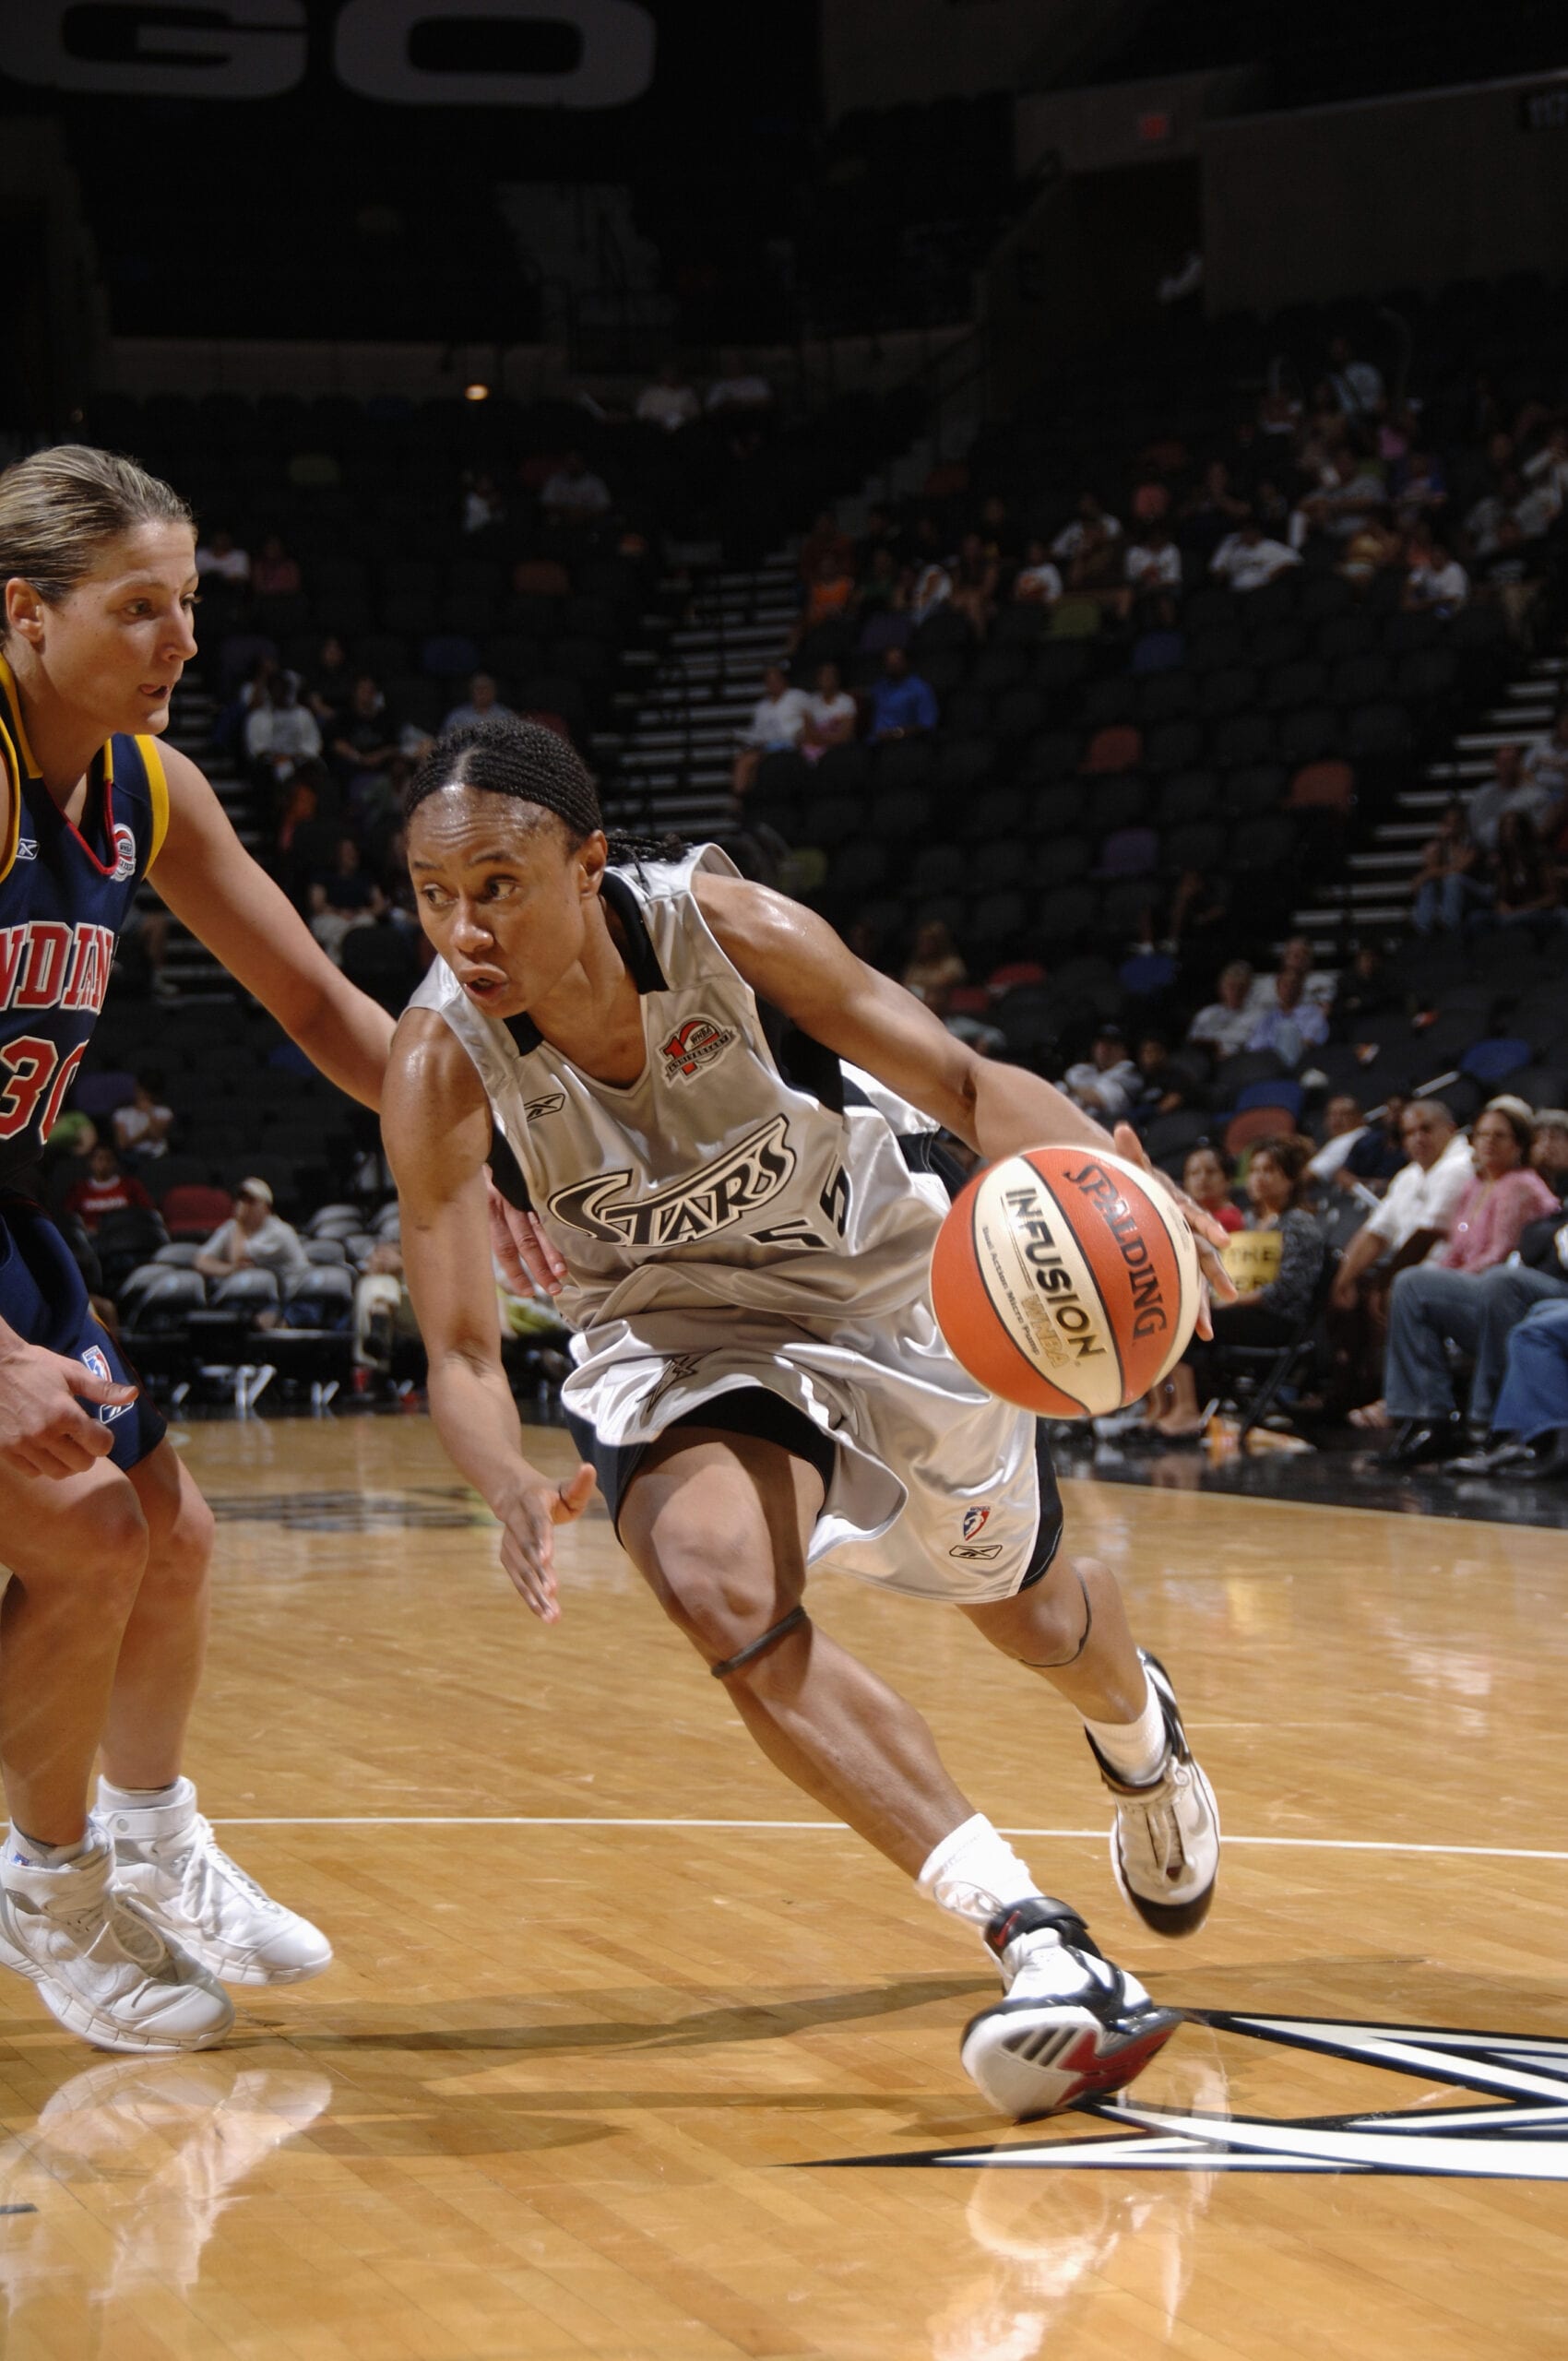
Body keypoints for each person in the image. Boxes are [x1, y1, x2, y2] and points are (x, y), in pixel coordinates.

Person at [382, 716, 1232, 2126]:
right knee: (718, 1583)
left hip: (886, 1291)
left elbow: (960, 1087)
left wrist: (1140, 1200)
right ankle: (1040, 1944)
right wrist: (507, 1479)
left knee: (1029, 1622)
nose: (463, 928)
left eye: (499, 886)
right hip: (680, 1337)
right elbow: (464, 1351)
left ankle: (1144, 1736)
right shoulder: (441, 1061)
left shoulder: (732, 931)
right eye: (431, 894)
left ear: (589, 866)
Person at [0, 444, 399, 2053]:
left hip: (11, 1215)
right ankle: (47, 1889)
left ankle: (156, 1849)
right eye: (136, 607)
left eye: (189, 604)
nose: (178, 641)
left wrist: (507, 1150)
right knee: (90, 1538)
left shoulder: (147, 784)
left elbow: (318, 1008)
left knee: (170, 1539)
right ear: (24, 616)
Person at [1381, 1103, 1560, 1465]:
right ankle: (1428, 1417)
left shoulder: (1521, 1185)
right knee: (1411, 1283)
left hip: (1517, 1291)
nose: (1489, 1143)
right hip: (1483, 1288)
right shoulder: (1474, 1186)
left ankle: (1483, 1422)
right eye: (1482, 1135)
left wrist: (1447, 1280)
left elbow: (1499, 1253)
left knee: (1483, 1282)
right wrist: (1439, 1275)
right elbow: (1456, 1252)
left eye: (1500, 1136)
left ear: (1518, 1145)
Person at [1152, 1136, 1325, 1439]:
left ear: (1290, 1178)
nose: (1259, 1178)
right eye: (1255, 1170)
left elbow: (1287, 1289)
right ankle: (1168, 1406)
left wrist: (1233, 1302)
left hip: (1278, 1320)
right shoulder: (1249, 1221)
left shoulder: (1299, 1224)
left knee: (1192, 1319)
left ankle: (1188, 1409)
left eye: (1269, 1170)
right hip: (1243, 1310)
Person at [1327, 1099, 1473, 1423]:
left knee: (1397, 1290)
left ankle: (1401, 1400)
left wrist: (1384, 1282)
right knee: (1338, 1288)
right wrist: (1343, 1279)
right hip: (1414, 1268)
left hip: (1455, 1272)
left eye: (1426, 1129)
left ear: (1449, 1130)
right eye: (1409, 1133)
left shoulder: (1460, 1165)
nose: (1417, 1139)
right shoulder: (1408, 1175)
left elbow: (1428, 1234)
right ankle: (1346, 1390)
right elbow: (1374, 1232)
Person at [731, 663, 808, 797]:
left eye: (776, 679)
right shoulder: (761, 707)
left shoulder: (797, 696)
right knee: (744, 760)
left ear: (783, 679)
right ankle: (740, 800)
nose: (773, 684)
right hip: (769, 746)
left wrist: (803, 734)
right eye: (769, 681)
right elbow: (756, 734)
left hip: (795, 743)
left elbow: (813, 718)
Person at [1411, 801, 1487, 935]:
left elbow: (1461, 868)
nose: (1452, 826)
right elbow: (1431, 870)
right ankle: (1423, 927)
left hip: (1477, 892)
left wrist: (1427, 875)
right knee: (1429, 884)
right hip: (1451, 893)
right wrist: (1440, 845)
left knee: (1453, 879)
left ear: (1463, 824)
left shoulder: (1472, 844)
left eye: (1456, 822)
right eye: (1448, 823)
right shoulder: (1439, 846)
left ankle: (1449, 924)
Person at [62, 1144, 154, 1233]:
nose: (104, 1163)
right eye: (99, 1159)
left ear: (115, 1162)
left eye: (108, 1159)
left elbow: (147, 1212)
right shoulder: (79, 1189)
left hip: (125, 1237)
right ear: (90, 1162)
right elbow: (69, 1219)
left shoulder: (130, 1185)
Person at [1063, 1026, 1141, 1121]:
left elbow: (1098, 1099)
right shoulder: (1082, 1070)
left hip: (1101, 1129)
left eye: (1111, 1044)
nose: (1104, 1049)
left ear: (1123, 1051)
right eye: (1100, 1043)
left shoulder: (1129, 1074)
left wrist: (1069, 1088)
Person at [1209, 516, 1300, 594]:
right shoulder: (1232, 544)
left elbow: (1294, 559)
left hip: (1262, 591)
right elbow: (1217, 569)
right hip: (1235, 590)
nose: (1245, 534)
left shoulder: (1271, 546)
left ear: (1257, 532)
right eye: (1243, 531)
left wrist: (1270, 577)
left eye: (1249, 531)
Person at [1185, 961, 1255, 1060]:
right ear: (1221, 988)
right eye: (1231, 987)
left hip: (1241, 1062)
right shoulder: (1207, 1014)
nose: (1236, 992)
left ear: (1248, 989)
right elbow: (1193, 1042)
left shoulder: (1257, 1015)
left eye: (1241, 987)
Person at [868, 647, 938, 742]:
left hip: (903, 745)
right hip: (874, 744)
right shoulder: (880, 686)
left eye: (896, 660)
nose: (892, 664)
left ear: (906, 662)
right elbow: (865, 694)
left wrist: (896, 733)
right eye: (888, 661)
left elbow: (926, 724)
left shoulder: (920, 688)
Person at [800, 661, 857, 763]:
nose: (827, 679)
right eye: (824, 675)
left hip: (839, 749)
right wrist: (822, 741)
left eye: (831, 675)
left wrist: (825, 741)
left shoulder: (847, 701)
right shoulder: (810, 702)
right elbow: (808, 733)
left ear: (837, 679)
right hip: (814, 750)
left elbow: (846, 735)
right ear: (818, 679)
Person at [113, 1068, 174, 1162]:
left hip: (156, 1157)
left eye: (147, 1092)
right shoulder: (122, 1114)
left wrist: (150, 1113)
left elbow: (156, 1135)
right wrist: (145, 1134)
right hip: (131, 1158)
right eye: (141, 1091)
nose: (144, 1095)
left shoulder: (164, 1112)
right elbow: (123, 1144)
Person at [1182, 1142, 1244, 1234]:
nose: (1202, 1178)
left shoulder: (1229, 1220)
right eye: (1194, 1173)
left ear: (1227, 1180)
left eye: (1210, 1172)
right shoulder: (1183, 1216)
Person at [442, 672, 513, 735]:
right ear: (471, 692)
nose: (482, 692)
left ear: (494, 692)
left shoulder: (505, 715)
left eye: (486, 688)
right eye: (478, 689)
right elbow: (445, 741)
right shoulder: (457, 717)